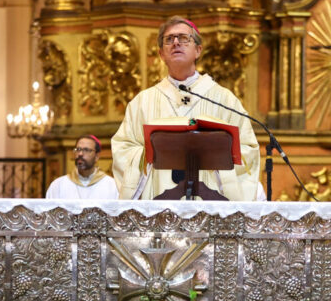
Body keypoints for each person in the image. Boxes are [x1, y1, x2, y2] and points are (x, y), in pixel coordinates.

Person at [111, 16, 260, 200]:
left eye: (183, 38)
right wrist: (150, 153)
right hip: (160, 209)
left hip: (210, 208)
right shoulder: (142, 102)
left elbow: (247, 149)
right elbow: (123, 149)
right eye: (169, 39)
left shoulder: (225, 100)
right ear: (161, 54)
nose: (175, 43)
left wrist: (215, 153)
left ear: (198, 50)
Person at [45, 135, 119, 199]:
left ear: (97, 156)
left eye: (86, 150)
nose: (80, 154)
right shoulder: (58, 185)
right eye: (78, 149)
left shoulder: (112, 186)